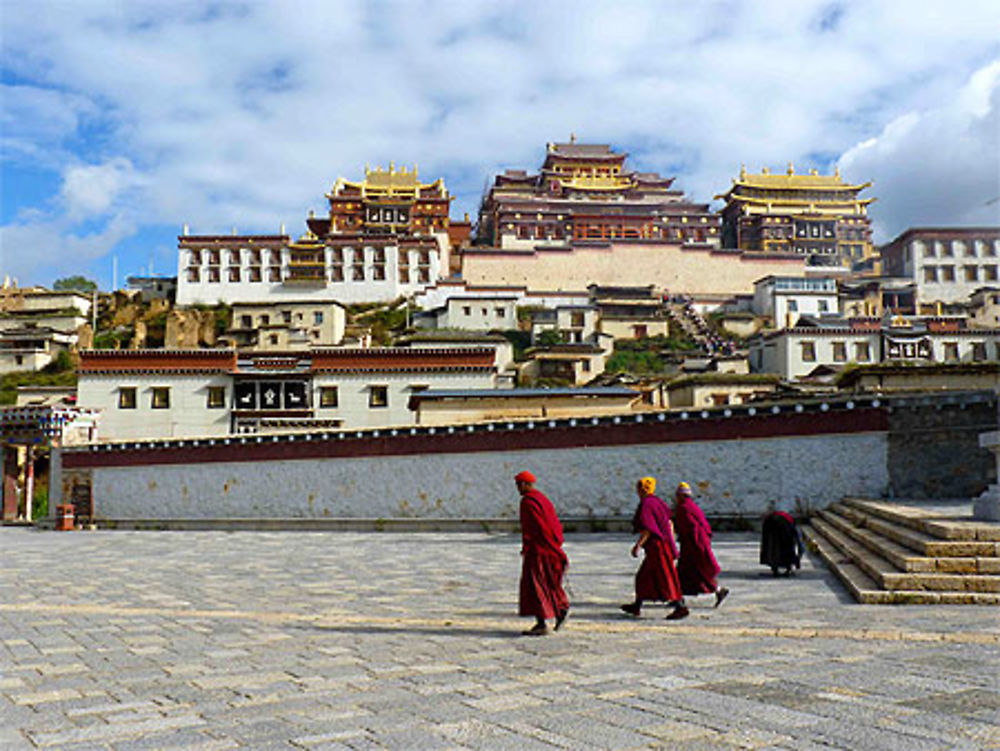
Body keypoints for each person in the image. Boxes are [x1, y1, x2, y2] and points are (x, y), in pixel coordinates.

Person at [620, 477, 688, 620]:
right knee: (643, 577)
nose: (637, 491)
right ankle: (637, 606)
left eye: (639, 487)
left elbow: (648, 528)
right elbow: (669, 522)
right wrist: (672, 541)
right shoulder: (658, 502)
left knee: (665, 577)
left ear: (642, 489)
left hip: (657, 547)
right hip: (660, 546)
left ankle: (679, 606)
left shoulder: (646, 504)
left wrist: (638, 545)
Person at [515, 470, 569, 636]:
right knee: (549, 583)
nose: (518, 488)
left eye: (519, 485)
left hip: (538, 550)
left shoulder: (528, 502)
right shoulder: (542, 499)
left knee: (535, 585)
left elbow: (536, 528)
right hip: (551, 548)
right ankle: (560, 609)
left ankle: (541, 623)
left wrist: (529, 545)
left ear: (526, 484)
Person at [673, 482, 729, 607]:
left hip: (693, 546)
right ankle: (677, 597)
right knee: (689, 574)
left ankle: (718, 590)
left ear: (681, 496)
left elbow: (690, 528)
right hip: (697, 544)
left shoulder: (683, 508)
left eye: (677, 496)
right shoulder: (692, 507)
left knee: (697, 574)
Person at [760, 510, 804, 576]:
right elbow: (798, 541)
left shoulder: (785, 518)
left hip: (769, 522)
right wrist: (797, 558)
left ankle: (774, 566)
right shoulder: (792, 523)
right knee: (787, 545)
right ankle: (787, 567)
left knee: (771, 545)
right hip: (782, 523)